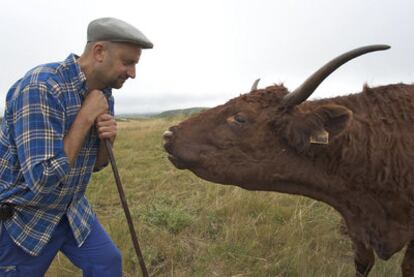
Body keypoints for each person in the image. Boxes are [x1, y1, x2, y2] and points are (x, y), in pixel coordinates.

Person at [0, 17, 153, 276]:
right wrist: (84, 117)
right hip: (25, 217)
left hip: (71, 210)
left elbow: (97, 164)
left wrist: (108, 141)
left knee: (107, 263)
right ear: (99, 52)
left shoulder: (103, 94)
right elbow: (42, 179)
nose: (132, 73)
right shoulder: (41, 87)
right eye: (128, 62)